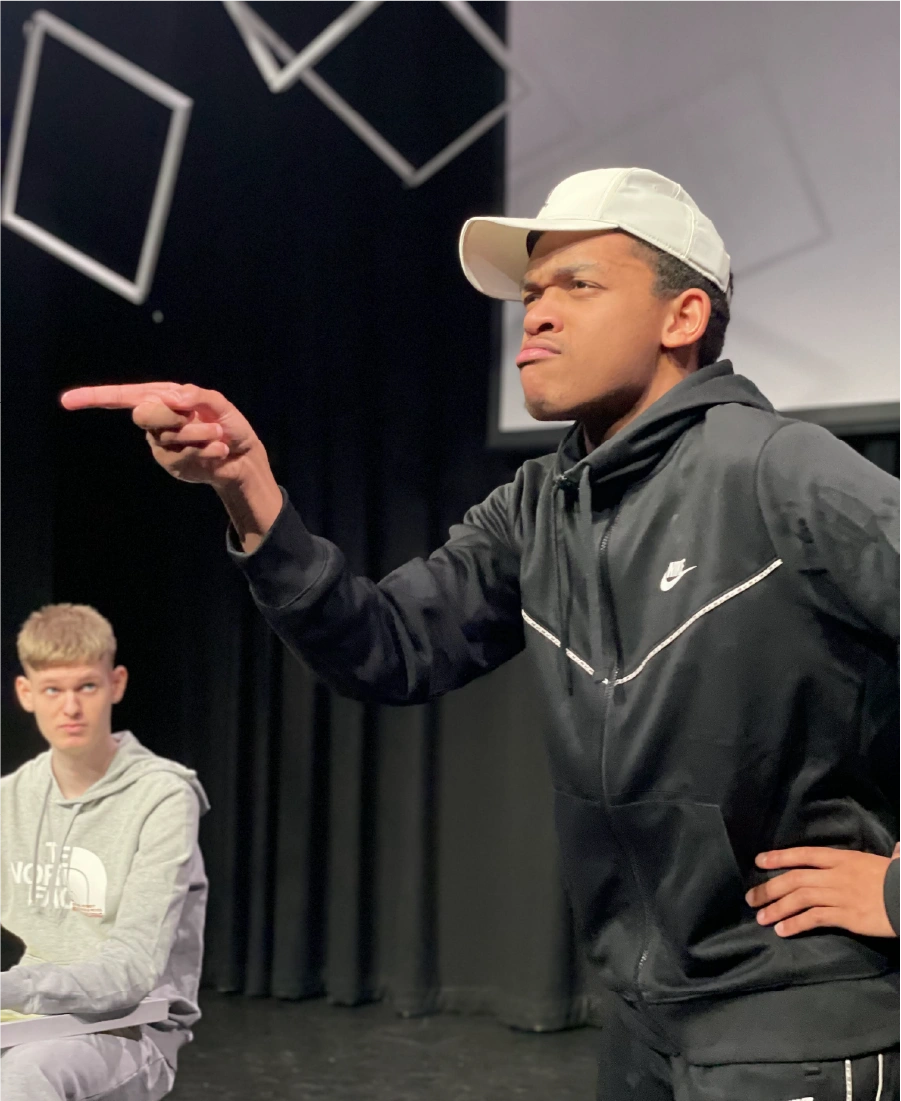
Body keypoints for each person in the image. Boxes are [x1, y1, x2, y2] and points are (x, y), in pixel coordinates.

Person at [62, 167, 900, 1099]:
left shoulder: (779, 472)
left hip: (798, 1023)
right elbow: (386, 646)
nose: (535, 314)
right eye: (532, 293)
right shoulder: (538, 506)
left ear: (683, 316)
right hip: (642, 1025)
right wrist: (246, 488)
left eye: (577, 285)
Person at [0, 603, 209, 1101]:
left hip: (126, 1026)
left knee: (26, 1080)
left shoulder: (161, 795)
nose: (70, 708)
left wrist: (9, 989)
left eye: (85, 687)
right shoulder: (9, 797)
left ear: (115, 684)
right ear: (27, 694)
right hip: (20, 1017)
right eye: (53, 690)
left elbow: (132, 970)